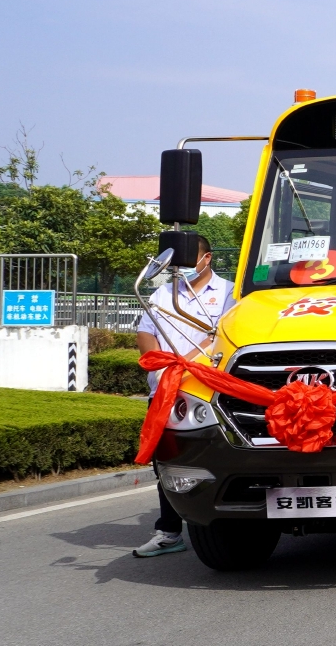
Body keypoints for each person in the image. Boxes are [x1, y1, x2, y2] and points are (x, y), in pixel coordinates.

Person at [132, 236, 235, 558]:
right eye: (175, 264)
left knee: (215, 457)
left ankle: (222, 524)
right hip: (164, 388)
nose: (182, 269)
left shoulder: (231, 294)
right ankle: (169, 531)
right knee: (167, 459)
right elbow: (145, 331)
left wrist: (183, 366)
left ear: (208, 258)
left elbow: (219, 336)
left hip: (205, 391)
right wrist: (162, 368)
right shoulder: (164, 293)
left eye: (190, 261)